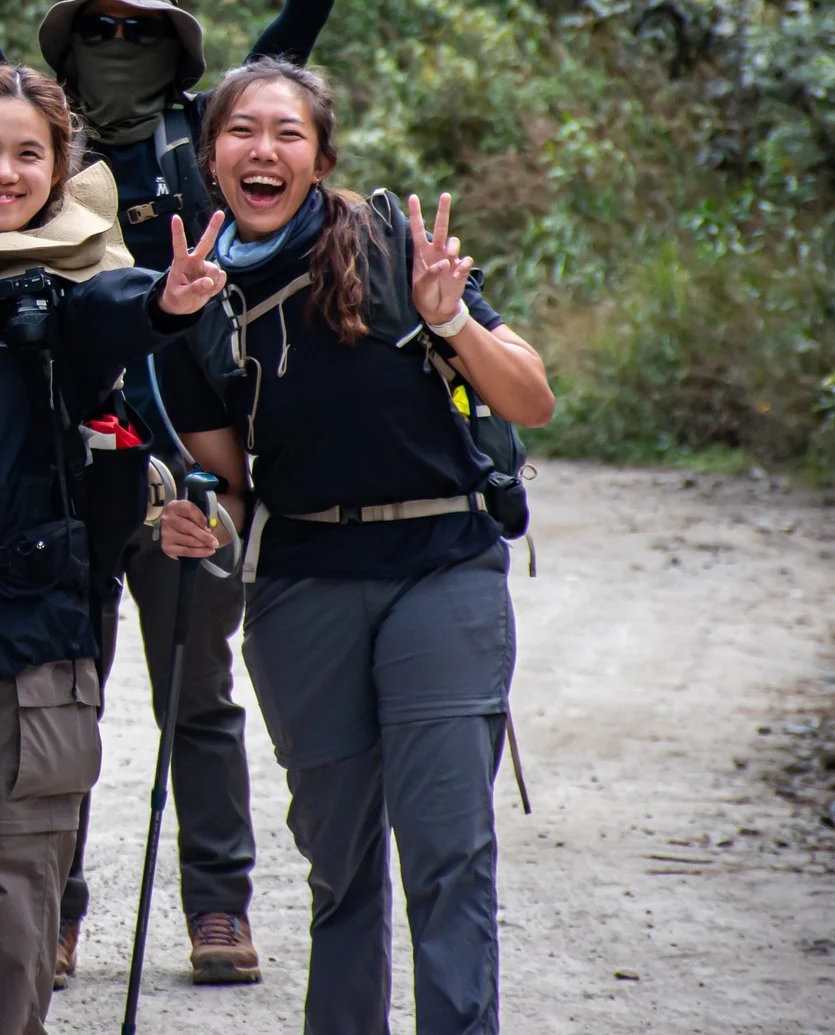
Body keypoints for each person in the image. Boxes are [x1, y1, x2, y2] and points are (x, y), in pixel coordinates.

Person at [0, 0, 372, 984]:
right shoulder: (32, 151)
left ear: (171, 48)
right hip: (67, 461)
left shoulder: (207, 145)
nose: (116, 45)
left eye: (137, 30)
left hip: (185, 445)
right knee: (66, 681)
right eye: (95, 28)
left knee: (194, 684)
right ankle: (52, 899)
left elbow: (292, 45)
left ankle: (218, 903)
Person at [155, 58, 553, 1035]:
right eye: (241, 130)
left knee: (445, 849)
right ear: (210, 157)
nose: (263, 149)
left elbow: (531, 398)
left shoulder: (390, 245)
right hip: (303, 585)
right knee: (339, 865)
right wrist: (194, 522)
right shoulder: (193, 303)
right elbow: (230, 491)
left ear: (320, 154)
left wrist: (448, 317)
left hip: (441, 569)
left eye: (286, 131)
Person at [0, 64, 226, 1033]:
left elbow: (117, 314)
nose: (2, 171)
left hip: (33, 613)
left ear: (59, 168)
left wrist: (170, 303)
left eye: (27, 154)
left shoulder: (73, 275)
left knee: (21, 874)